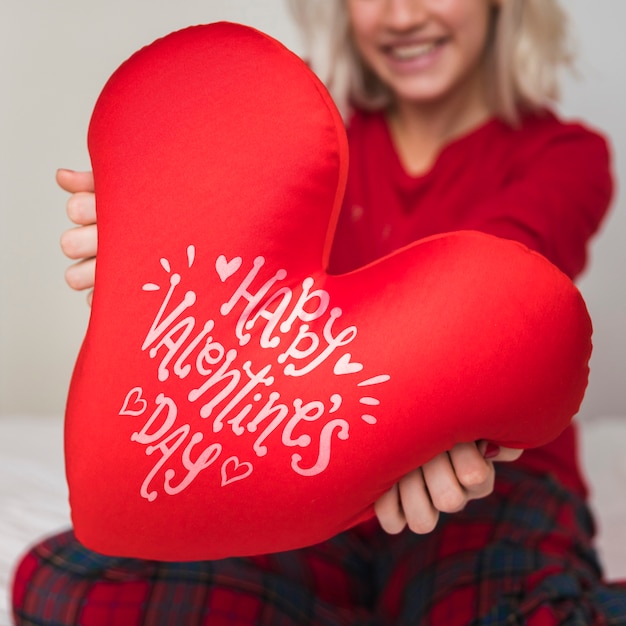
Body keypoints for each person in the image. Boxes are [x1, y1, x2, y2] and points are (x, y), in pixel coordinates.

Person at [12, 0, 626, 624]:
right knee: (69, 586)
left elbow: (510, 289)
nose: (402, 15)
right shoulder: (294, 136)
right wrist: (149, 272)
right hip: (288, 463)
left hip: (484, 479)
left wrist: (440, 399)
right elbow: (230, 299)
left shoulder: (564, 154)